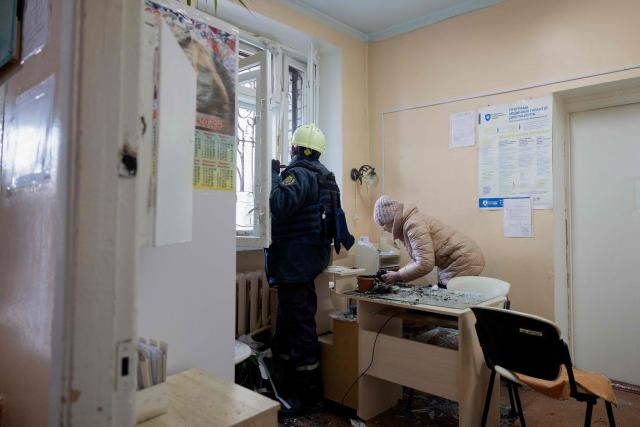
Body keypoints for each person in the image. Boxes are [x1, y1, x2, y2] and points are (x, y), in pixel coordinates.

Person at [265, 123, 354, 415]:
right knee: (289, 323)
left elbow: (280, 205)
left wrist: (273, 176)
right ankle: (282, 386)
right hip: (309, 259)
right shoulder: (325, 176)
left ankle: (309, 396)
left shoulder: (297, 174)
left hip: (295, 260)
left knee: (300, 326)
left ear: (294, 149)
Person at [373, 195, 485, 286]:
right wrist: (398, 274)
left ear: (391, 219)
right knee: (447, 294)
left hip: (463, 258)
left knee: (451, 300)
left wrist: (398, 276)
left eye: (383, 224)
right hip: (459, 258)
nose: (383, 228)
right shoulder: (408, 223)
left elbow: (425, 264)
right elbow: (419, 259)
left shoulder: (413, 225)